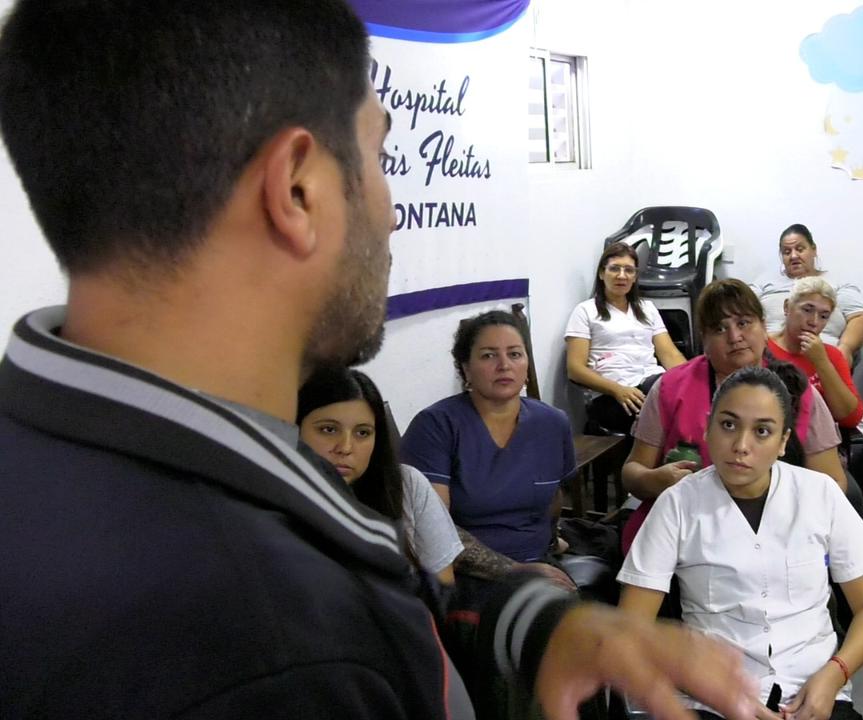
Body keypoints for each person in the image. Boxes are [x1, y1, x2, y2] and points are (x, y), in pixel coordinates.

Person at [0, 2, 763, 718]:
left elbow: (403, 599)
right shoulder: (275, 640)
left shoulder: (93, 464)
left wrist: (530, 625)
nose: (392, 210)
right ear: (297, 189)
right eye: (378, 155)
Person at [618, 367, 863, 719]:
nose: (741, 446)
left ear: (783, 442)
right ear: (707, 428)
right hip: (711, 701)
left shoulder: (820, 494)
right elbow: (632, 629)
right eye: (728, 425)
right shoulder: (677, 504)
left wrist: (834, 675)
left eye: (762, 431)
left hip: (815, 695)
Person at [621, 279, 847, 553]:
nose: (734, 336)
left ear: (764, 327)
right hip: (683, 533)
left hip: (777, 536)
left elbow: (833, 482)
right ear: (704, 340)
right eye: (719, 328)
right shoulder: (671, 387)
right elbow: (632, 471)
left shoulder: (797, 390)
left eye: (743, 323)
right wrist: (655, 481)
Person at [401, 311, 578, 590]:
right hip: (466, 575)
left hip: (540, 563)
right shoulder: (436, 426)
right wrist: (515, 571)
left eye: (515, 354)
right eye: (488, 355)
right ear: (466, 369)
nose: (504, 365)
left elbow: (554, 499)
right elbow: (432, 531)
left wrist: (550, 544)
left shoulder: (553, 422)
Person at [297, 366, 463, 585]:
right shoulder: (270, 497)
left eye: (362, 433)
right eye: (329, 429)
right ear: (296, 428)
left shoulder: (408, 486)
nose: (345, 447)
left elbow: (442, 588)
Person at [566, 241, 686, 434]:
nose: (622, 276)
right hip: (613, 396)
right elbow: (575, 369)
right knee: (669, 404)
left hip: (652, 384)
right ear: (601, 273)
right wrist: (617, 390)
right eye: (615, 269)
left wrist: (691, 380)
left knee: (685, 394)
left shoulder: (647, 309)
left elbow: (670, 355)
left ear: (635, 276)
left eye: (629, 270)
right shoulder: (585, 311)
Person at [749, 223, 863, 366]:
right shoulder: (765, 282)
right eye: (787, 252)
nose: (793, 256)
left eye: (800, 249)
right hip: (767, 354)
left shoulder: (837, 282)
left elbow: (862, 316)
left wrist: (846, 348)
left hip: (823, 355)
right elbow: (742, 308)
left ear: (814, 250)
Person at [766, 276, 863, 431]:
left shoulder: (831, 355)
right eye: (807, 310)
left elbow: (851, 418)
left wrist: (821, 362)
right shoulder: (763, 346)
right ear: (787, 307)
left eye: (824, 316)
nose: (814, 322)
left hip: (815, 437)